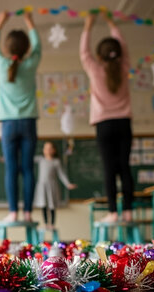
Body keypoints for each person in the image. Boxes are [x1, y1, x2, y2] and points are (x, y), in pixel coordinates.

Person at [80, 13, 134, 223]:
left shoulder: (95, 69)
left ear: (99, 56)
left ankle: (113, 212)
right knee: (124, 167)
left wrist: (88, 26)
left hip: (103, 125)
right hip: (124, 122)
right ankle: (128, 211)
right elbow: (124, 46)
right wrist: (112, 23)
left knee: (109, 169)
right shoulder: (124, 67)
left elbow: (84, 53)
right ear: (119, 54)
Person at [0, 10, 42, 223]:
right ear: (26, 49)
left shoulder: (2, 65)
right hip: (28, 122)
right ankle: (28, 213)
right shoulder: (30, 65)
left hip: (8, 125)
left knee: (11, 169)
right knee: (28, 168)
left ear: (6, 49)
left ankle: (13, 212)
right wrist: (30, 22)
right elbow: (38, 47)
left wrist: (0, 23)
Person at [34, 142, 76, 230]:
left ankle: (52, 223)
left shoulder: (56, 162)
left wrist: (67, 183)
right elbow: (27, 158)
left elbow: (61, 174)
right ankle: (45, 223)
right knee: (43, 204)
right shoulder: (41, 159)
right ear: (43, 150)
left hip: (52, 187)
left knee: (52, 205)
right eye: (46, 148)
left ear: (54, 150)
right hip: (42, 187)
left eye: (50, 149)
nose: (48, 151)